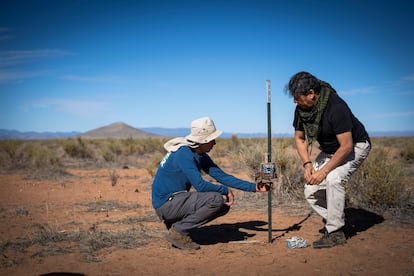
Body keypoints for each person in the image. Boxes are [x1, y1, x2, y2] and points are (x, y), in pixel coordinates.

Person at [151, 116, 271, 250]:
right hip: (166, 204)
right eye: (211, 139)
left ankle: (177, 224)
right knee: (215, 200)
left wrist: (254, 187)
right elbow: (200, 186)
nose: (214, 143)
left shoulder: (199, 154)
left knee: (222, 205)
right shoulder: (183, 153)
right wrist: (225, 190)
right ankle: (178, 231)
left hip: (174, 201)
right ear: (202, 141)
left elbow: (222, 177)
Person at [285, 71, 371, 249]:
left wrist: (323, 171)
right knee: (311, 190)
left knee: (333, 179)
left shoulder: (336, 107)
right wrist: (307, 164)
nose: (295, 101)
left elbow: (346, 146)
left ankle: (335, 232)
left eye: (298, 97)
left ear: (311, 93)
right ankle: (339, 220)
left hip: (355, 146)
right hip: (330, 150)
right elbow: (300, 139)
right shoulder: (301, 110)